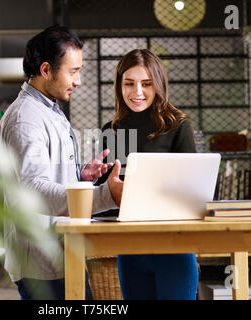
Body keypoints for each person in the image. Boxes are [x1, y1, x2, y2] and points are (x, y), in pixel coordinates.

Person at [0, 26, 123, 300]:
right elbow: (34, 190)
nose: (78, 81)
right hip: (40, 265)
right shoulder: (26, 119)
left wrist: (79, 177)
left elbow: (43, 175)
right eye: (73, 71)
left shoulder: (49, 108)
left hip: (58, 254)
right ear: (45, 70)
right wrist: (105, 195)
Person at [96, 49, 199, 300]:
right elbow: (105, 197)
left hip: (174, 247)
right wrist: (96, 181)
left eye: (146, 84)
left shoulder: (177, 124)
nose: (137, 92)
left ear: (158, 85)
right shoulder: (113, 130)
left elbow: (195, 191)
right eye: (129, 83)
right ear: (119, 86)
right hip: (130, 248)